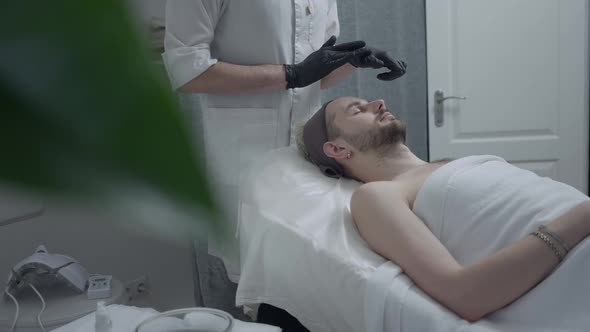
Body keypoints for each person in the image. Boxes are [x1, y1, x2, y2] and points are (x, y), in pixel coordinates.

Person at [162, 1, 406, 283]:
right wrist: (290, 75)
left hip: (306, 161)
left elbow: (318, 77)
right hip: (247, 158)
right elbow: (186, 71)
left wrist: (353, 60)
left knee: (306, 274)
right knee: (254, 279)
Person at [296, 96, 590, 326]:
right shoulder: (378, 195)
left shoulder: (456, 163)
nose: (378, 103)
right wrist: (582, 218)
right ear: (336, 149)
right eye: (357, 110)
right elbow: (464, 295)